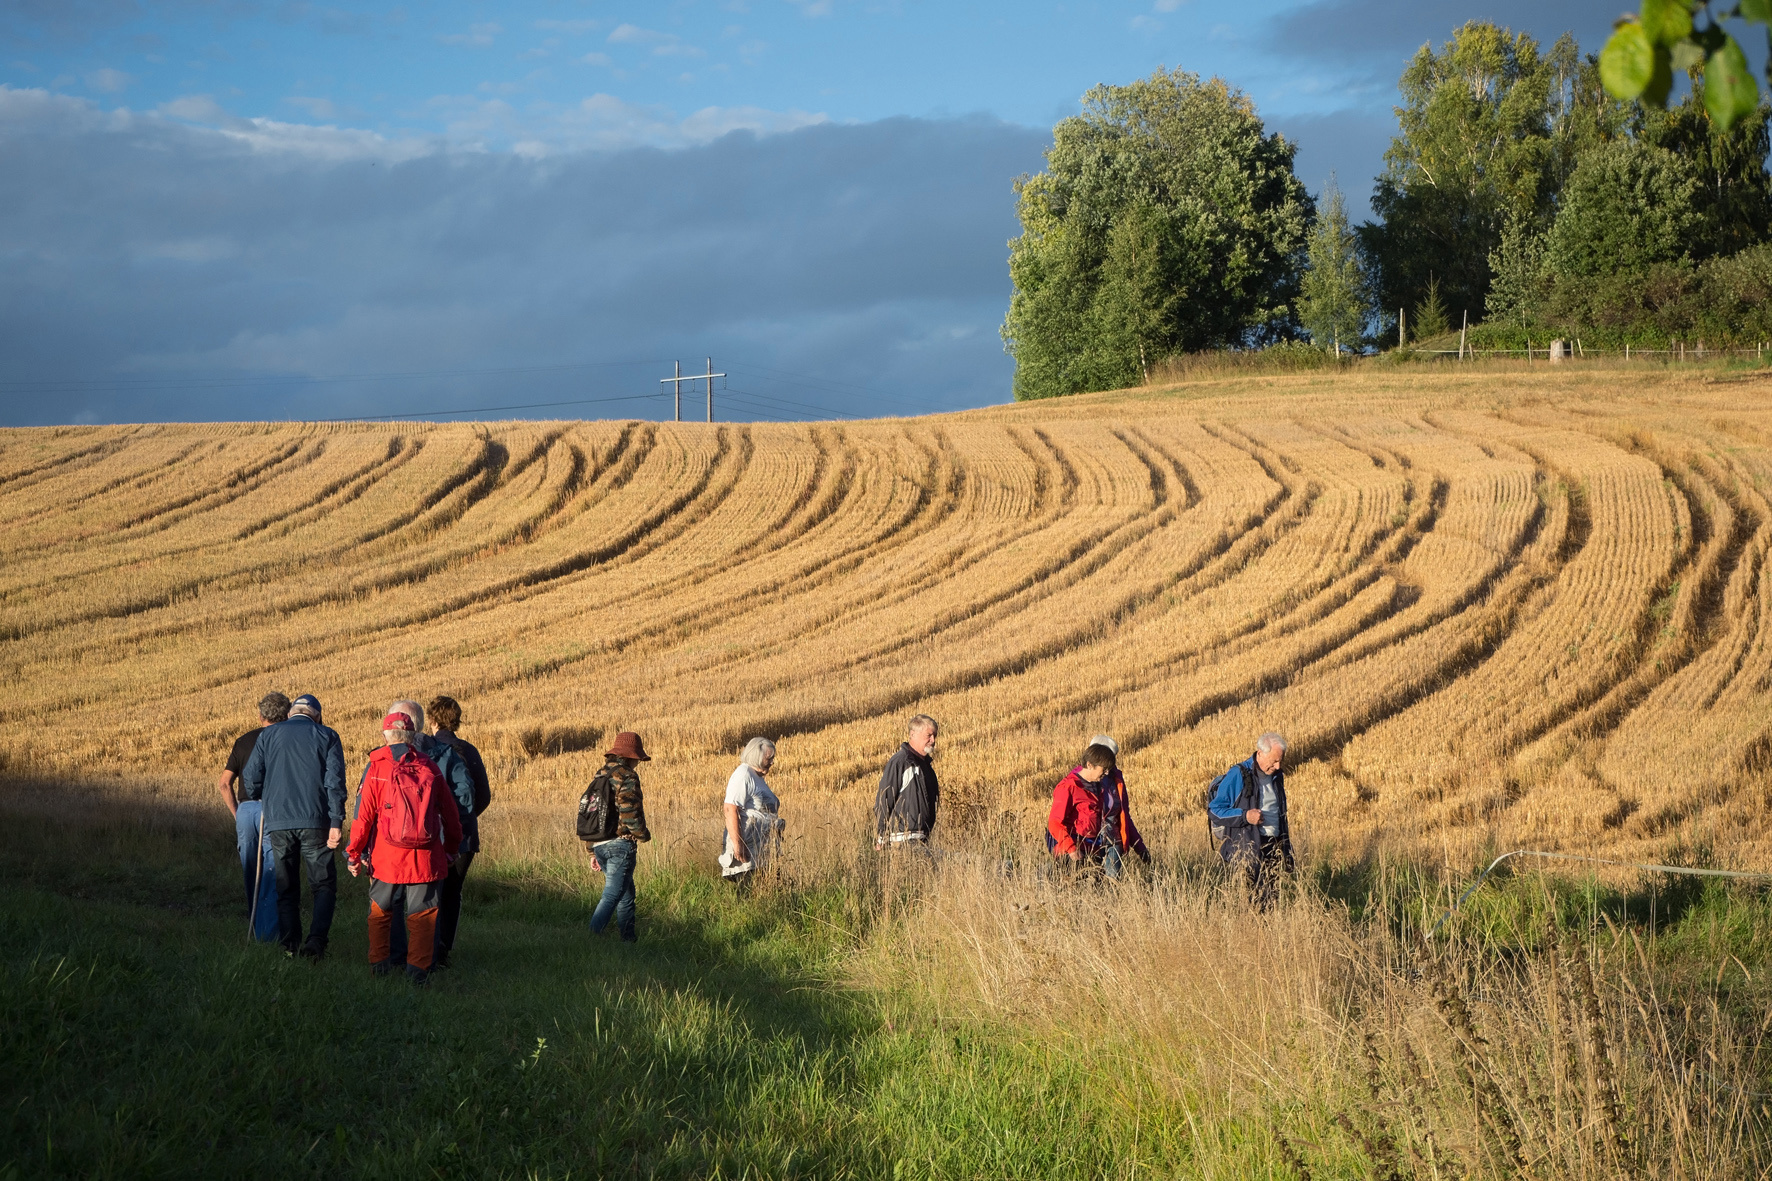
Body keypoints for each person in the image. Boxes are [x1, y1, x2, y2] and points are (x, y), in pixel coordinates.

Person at [345, 712, 462, 985]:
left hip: (387, 857)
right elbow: (451, 815)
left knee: (380, 912)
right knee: (422, 917)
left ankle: (380, 968)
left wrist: (353, 852)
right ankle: (418, 975)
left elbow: (363, 818)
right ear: (413, 737)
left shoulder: (376, 769)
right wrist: (452, 848)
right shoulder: (429, 766)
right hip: (426, 857)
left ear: (386, 735)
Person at [240, 693, 346, 958]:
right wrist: (336, 821)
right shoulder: (328, 736)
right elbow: (334, 782)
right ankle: (316, 943)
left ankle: (289, 945)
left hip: (278, 822)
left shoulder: (268, 735)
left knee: (286, 885)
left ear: (290, 713)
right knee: (322, 885)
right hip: (316, 821)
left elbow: (251, 778)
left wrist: (261, 794)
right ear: (317, 716)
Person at [380, 699, 478, 970]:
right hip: (432, 842)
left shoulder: (381, 759)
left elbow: (367, 805)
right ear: (419, 724)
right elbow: (467, 797)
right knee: (428, 906)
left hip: (389, 845)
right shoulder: (446, 755)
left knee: (391, 902)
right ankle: (428, 963)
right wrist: (448, 831)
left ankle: (393, 961)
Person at [426, 694, 491, 969]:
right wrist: (465, 820)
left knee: (429, 892)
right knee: (452, 892)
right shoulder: (468, 750)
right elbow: (484, 795)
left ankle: (424, 947)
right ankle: (443, 950)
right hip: (464, 837)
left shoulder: (425, 750)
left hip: (429, 833)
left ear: (431, 720)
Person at [218, 691, 289, 941]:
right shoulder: (286, 740)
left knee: (251, 872)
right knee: (270, 873)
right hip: (273, 810)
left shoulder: (243, 741)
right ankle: (267, 937)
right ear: (287, 714)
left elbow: (225, 783)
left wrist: (238, 814)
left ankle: (255, 925)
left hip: (246, 811)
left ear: (260, 716)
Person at [1207, 731, 1295, 907]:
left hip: (1274, 849)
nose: (1278, 766)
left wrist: (1285, 849)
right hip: (1245, 852)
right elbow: (1214, 810)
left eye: (1280, 761)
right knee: (1248, 905)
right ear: (1260, 753)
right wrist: (1245, 816)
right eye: (1274, 760)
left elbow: (1281, 815)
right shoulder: (1238, 774)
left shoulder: (1277, 776)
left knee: (1271, 904)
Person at [586, 731, 651, 943]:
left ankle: (628, 941)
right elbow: (629, 812)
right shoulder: (627, 776)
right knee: (613, 895)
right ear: (632, 757)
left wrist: (591, 849)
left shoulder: (600, 775)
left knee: (626, 894)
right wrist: (643, 835)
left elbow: (592, 814)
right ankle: (589, 940)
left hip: (599, 845)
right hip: (619, 845)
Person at [1046, 742, 1122, 877]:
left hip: (1092, 852)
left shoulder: (1099, 788)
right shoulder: (1068, 787)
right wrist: (1071, 848)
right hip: (1072, 855)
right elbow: (1054, 823)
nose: (1107, 773)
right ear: (1089, 765)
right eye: (1103, 769)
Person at [720, 737, 784, 879]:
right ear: (756, 757)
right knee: (751, 893)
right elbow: (730, 809)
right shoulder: (743, 775)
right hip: (748, 853)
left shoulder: (756, 777)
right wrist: (738, 845)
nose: (772, 762)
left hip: (762, 851)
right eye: (769, 758)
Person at [874, 714, 939, 849]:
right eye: (929, 735)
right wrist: (881, 836)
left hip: (922, 840)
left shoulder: (925, 766)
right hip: (902, 840)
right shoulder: (900, 762)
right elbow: (884, 799)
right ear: (913, 734)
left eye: (935, 736)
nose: (933, 740)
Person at [1088, 734, 1151, 872]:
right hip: (1089, 844)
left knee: (1112, 887)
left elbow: (1124, 817)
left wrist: (1140, 848)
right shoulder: (1080, 781)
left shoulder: (1116, 781)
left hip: (1113, 842)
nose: (1108, 767)